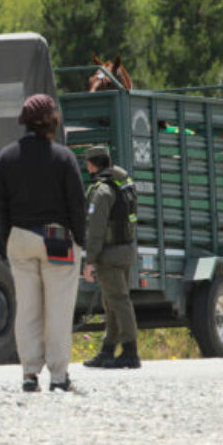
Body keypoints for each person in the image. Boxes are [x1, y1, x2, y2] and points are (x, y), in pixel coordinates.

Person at [0, 94, 87, 392]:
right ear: (53, 120)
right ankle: (58, 377)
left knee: (28, 308)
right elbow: (77, 207)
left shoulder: (7, 157)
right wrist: (83, 244)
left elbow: (0, 206)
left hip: (19, 238)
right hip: (56, 238)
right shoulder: (63, 157)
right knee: (58, 309)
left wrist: (9, 237)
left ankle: (29, 374)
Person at [81, 145, 141, 369]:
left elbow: (96, 230)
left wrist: (90, 260)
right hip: (126, 250)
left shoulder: (102, 191)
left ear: (91, 164)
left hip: (110, 255)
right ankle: (108, 349)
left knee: (118, 301)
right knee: (113, 302)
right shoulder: (123, 183)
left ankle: (130, 352)